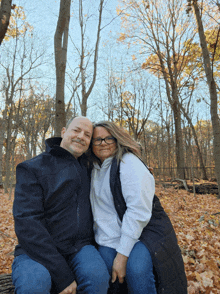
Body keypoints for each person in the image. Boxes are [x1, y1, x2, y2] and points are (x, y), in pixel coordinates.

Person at [12, 116, 110, 294]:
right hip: (36, 251)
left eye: (87, 135)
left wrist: (139, 168)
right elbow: (27, 224)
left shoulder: (90, 167)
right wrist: (62, 275)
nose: (81, 136)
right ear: (64, 132)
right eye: (76, 130)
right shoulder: (32, 168)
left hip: (79, 247)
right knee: (33, 286)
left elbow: (114, 161)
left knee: (98, 278)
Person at [89, 121, 188, 294]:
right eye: (97, 140)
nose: (103, 143)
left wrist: (122, 254)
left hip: (145, 231)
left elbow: (138, 212)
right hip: (110, 236)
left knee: (136, 269)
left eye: (108, 138)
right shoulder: (93, 168)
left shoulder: (128, 163)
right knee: (102, 270)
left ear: (117, 139)